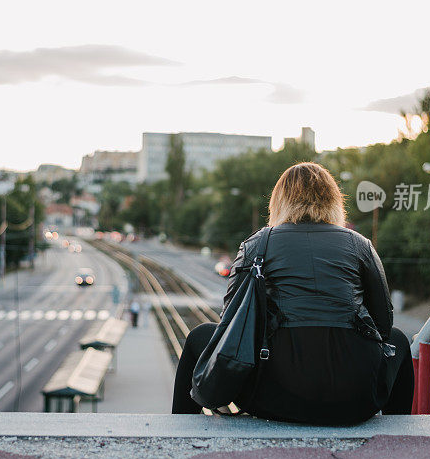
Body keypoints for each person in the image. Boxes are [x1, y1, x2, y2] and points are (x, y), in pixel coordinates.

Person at [172, 162, 414, 424]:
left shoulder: (257, 244)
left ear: (278, 201)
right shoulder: (360, 245)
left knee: (199, 336)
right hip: (355, 399)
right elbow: (383, 324)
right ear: (334, 201)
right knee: (399, 340)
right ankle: (399, 435)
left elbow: (231, 322)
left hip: (274, 398)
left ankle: (178, 431)